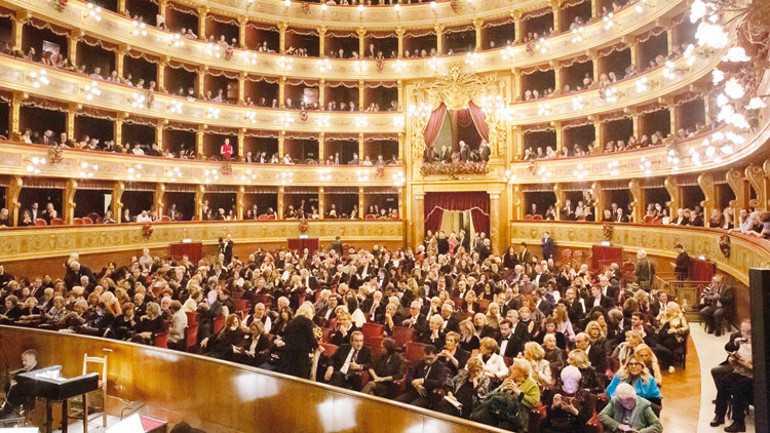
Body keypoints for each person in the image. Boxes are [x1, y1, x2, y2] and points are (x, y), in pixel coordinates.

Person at [470, 358, 540, 431]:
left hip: (517, 416)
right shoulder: (508, 380)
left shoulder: (532, 385)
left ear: (520, 372)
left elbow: (534, 403)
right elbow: (491, 395)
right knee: (486, 411)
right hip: (500, 412)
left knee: (499, 423)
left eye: (513, 368)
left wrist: (517, 391)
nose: (510, 368)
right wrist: (503, 388)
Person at [711, 320, 753, 432]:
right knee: (723, 382)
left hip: (751, 376)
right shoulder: (740, 340)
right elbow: (730, 349)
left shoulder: (759, 343)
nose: (745, 334)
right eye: (743, 331)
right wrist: (733, 359)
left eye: (748, 331)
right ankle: (719, 415)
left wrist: (746, 364)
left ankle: (739, 422)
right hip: (739, 371)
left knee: (738, 388)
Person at [278, 303, 319, 379]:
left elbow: (286, 337)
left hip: (288, 353)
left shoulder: (290, 322)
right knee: (299, 377)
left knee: (288, 376)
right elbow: (310, 338)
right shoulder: (307, 322)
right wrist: (317, 346)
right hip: (301, 355)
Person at [0, 349, 40, 419]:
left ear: (32, 359)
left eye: (25, 360)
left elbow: (30, 391)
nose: (23, 363)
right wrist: (11, 385)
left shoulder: (38, 373)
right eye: (22, 361)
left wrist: (15, 386)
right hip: (12, 404)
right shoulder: (21, 373)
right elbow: (7, 387)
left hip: (24, 406)